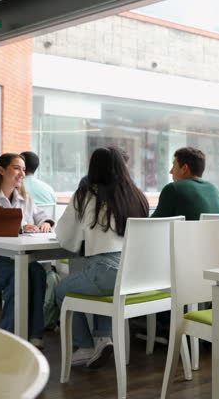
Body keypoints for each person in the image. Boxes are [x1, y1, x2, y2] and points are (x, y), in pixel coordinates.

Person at [55, 147, 150, 368]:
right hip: (138, 276)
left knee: (61, 290)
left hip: (106, 272)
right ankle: (103, 339)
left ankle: (84, 346)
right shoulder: (136, 195)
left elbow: (66, 239)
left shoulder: (87, 193)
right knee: (101, 284)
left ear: (93, 167)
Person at [0, 153, 54, 348]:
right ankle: (8, 338)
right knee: (18, 276)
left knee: (37, 272)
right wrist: (22, 228)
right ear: (1, 170)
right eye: (16, 168)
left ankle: (34, 334)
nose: (21, 173)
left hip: (15, 257)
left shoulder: (26, 199)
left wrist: (45, 223)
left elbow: (41, 217)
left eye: (23, 169)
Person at [151, 147, 219, 220]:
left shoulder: (173, 189)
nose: (171, 171)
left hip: (187, 231)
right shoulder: (215, 190)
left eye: (174, 165)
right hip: (214, 231)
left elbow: (152, 224)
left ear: (184, 168)